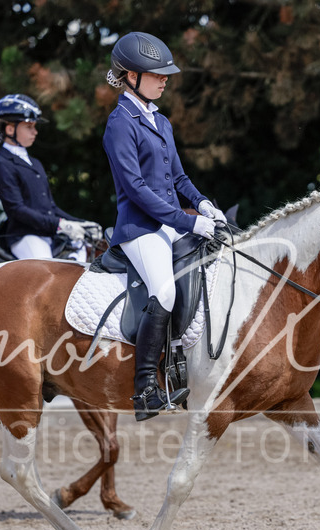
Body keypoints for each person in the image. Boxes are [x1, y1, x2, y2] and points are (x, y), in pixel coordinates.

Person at [102, 31, 225, 421]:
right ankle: (146, 390)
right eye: (156, 74)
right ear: (131, 76)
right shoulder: (120, 123)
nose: (165, 79)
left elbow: (179, 179)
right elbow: (136, 189)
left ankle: (186, 364)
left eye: (165, 74)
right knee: (165, 293)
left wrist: (203, 203)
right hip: (141, 229)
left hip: (169, 223)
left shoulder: (161, 121)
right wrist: (189, 223)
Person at [0, 93, 100, 262]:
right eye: (29, 126)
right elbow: (16, 210)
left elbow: (50, 207)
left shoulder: (35, 163)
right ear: (10, 129)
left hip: (48, 232)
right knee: (49, 267)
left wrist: (80, 223)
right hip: (25, 236)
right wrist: (59, 225)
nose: (35, 131)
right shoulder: (3, 165)